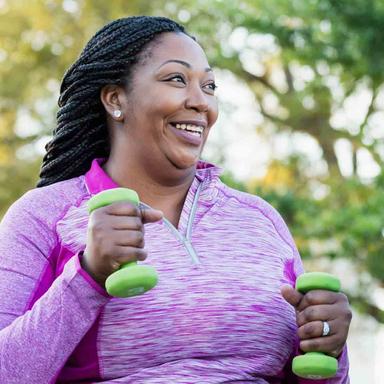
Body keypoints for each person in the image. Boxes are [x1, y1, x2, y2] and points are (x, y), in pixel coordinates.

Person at [0, 16, 351, 383]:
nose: (201, 102)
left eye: (210, 85)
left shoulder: (259, 218)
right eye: (176, 79)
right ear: (115, 99)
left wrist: (330, 348)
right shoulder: (44, 216)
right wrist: (87, 277)